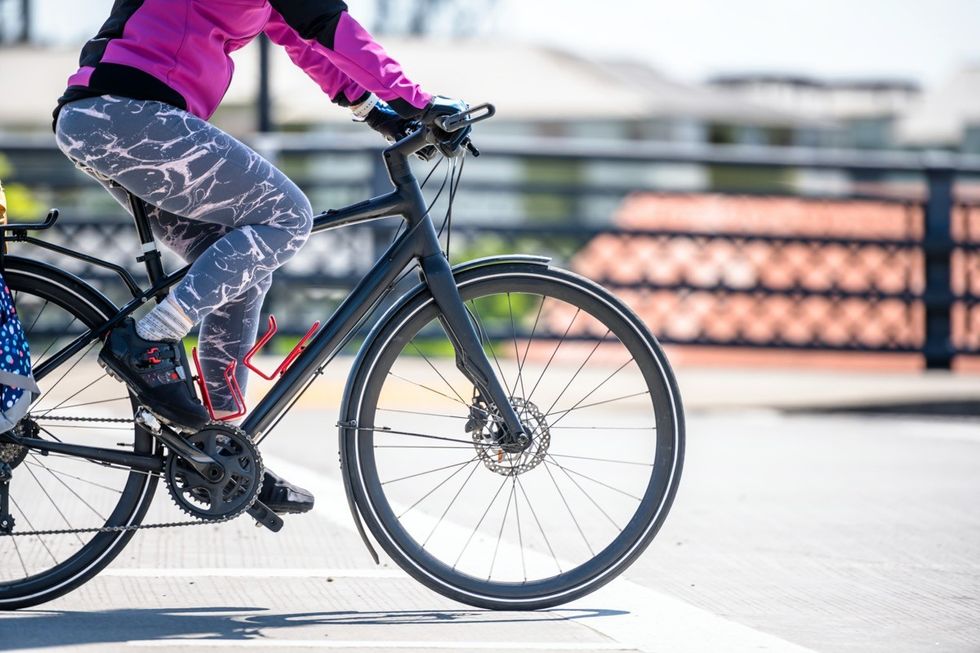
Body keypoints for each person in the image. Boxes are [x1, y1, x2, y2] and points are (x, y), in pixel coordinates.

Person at [53, 1, 467, 515]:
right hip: (129, 114)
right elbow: (325, 23)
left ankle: (220, 449)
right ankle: (150, 336)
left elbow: (300, 38)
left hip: (110, 117)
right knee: (288, 215)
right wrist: (418, 101)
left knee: (236, 262)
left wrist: (373, 111)